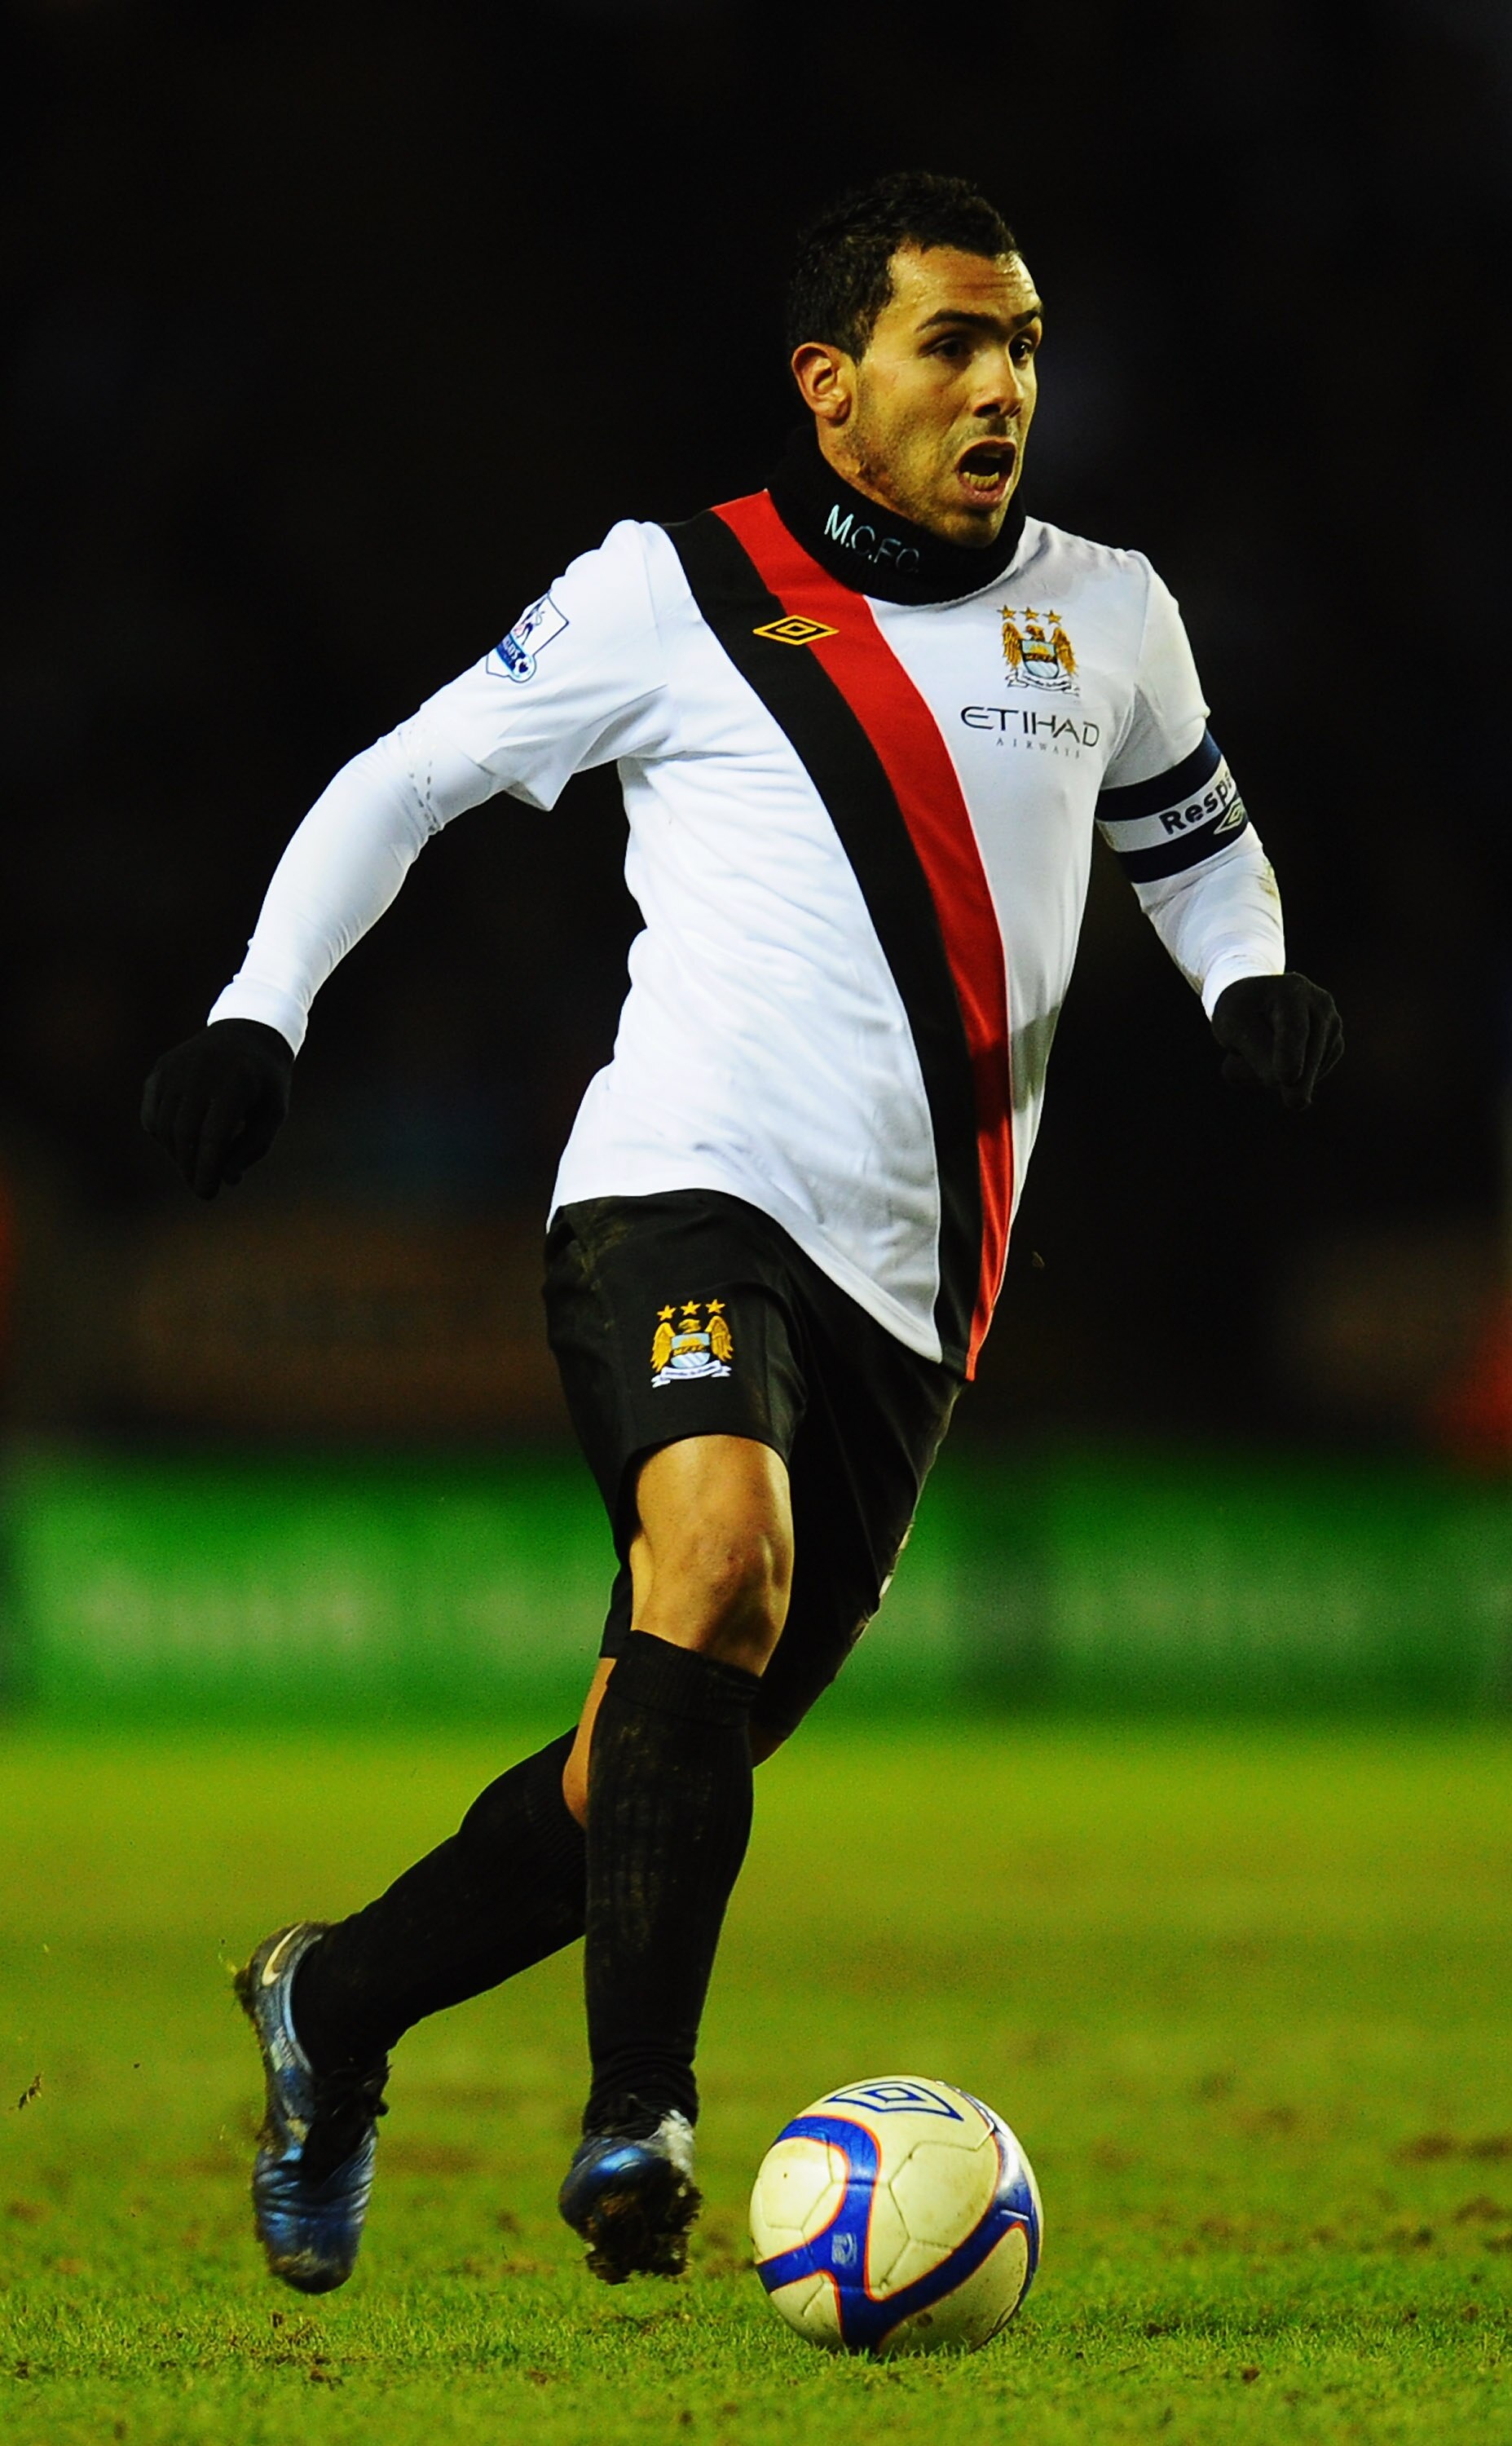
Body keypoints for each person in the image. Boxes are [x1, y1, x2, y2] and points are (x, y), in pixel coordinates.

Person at [142, 170, 1342, 2295]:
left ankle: (329, 2008)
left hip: (917, 1293)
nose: (1002, 385)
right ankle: (640, 2124)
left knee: (643, 1757)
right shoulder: (670, 592)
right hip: (680, 1184)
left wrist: (1245, 972)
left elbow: (1196, 834)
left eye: (1028, 345)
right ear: (832, 386)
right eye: (952, 344)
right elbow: (409, 775)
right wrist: (260, 1009)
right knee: (714, 1556)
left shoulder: (1116, 615)